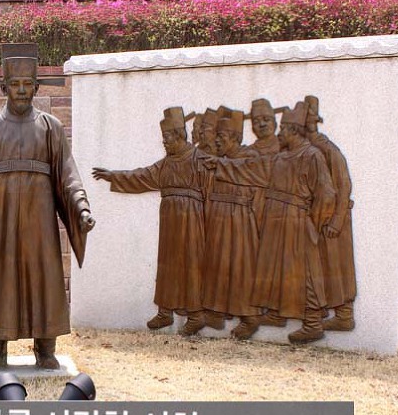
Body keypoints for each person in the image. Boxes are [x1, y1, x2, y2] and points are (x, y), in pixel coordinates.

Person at [0, 44, 95, 370]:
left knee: (44, 275)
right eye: (15, 84)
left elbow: (68, 173)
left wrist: (81, 206)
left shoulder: (51, 127)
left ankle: (46, 349)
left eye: (28, 84)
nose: (22, 90)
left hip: (39, 218)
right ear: (4, 87)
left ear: (37, 87)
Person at [203, 101, 336, 344]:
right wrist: (221, 164)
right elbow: (250, 170)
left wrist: (314, 223)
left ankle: (313, 324)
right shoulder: (280, 158)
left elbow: (326, 193)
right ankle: (276, 313)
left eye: (283, 128)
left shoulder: (312, 156)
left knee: (306, 272)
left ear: (294, 131)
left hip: (297, 220)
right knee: (275, 269)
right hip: (277, 219)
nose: (279, 133)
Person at [92, 106, 208, 335]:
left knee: (192, 263)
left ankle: (196, 315)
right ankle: (165, 312)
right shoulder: (166, 163)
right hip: (170, 218)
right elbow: (142, 176)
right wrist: (113, 176)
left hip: (192, 218)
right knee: (167, 263)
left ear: (179, 135)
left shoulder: (199, 158)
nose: (164, 141)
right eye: (163, 137)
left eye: (167, 137)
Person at [202, 109, 264, 340]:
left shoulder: (250, 156)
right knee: (218, 265)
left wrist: (220, 165)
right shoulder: (221, 160)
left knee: (241, 268)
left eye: (222, 136)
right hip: (219, 219)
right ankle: (217, 312)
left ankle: (250, 317)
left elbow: (250, 172)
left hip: (240, 221)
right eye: (216, 136)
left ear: (236, 138)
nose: (217, 140)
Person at [305, 95, 357, 331]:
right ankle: (320, 311)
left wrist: (336, 221)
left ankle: (344, 315)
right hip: (315, 218)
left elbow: (344, 186)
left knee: (337, 267)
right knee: (320, 268)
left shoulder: (328, 150)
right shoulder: (304, 149)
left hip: (334, 220)